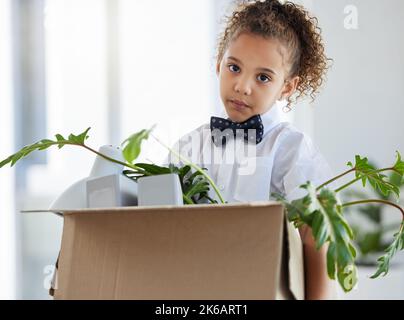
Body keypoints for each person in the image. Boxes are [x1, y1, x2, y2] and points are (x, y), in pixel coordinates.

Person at [163, 0, 337, 299]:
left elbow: (316, 235)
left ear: (287, 87)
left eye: (263, 77)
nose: (242, 86)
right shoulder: (187, 148)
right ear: (218, 64)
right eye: (234, 68)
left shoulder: (290, 149)